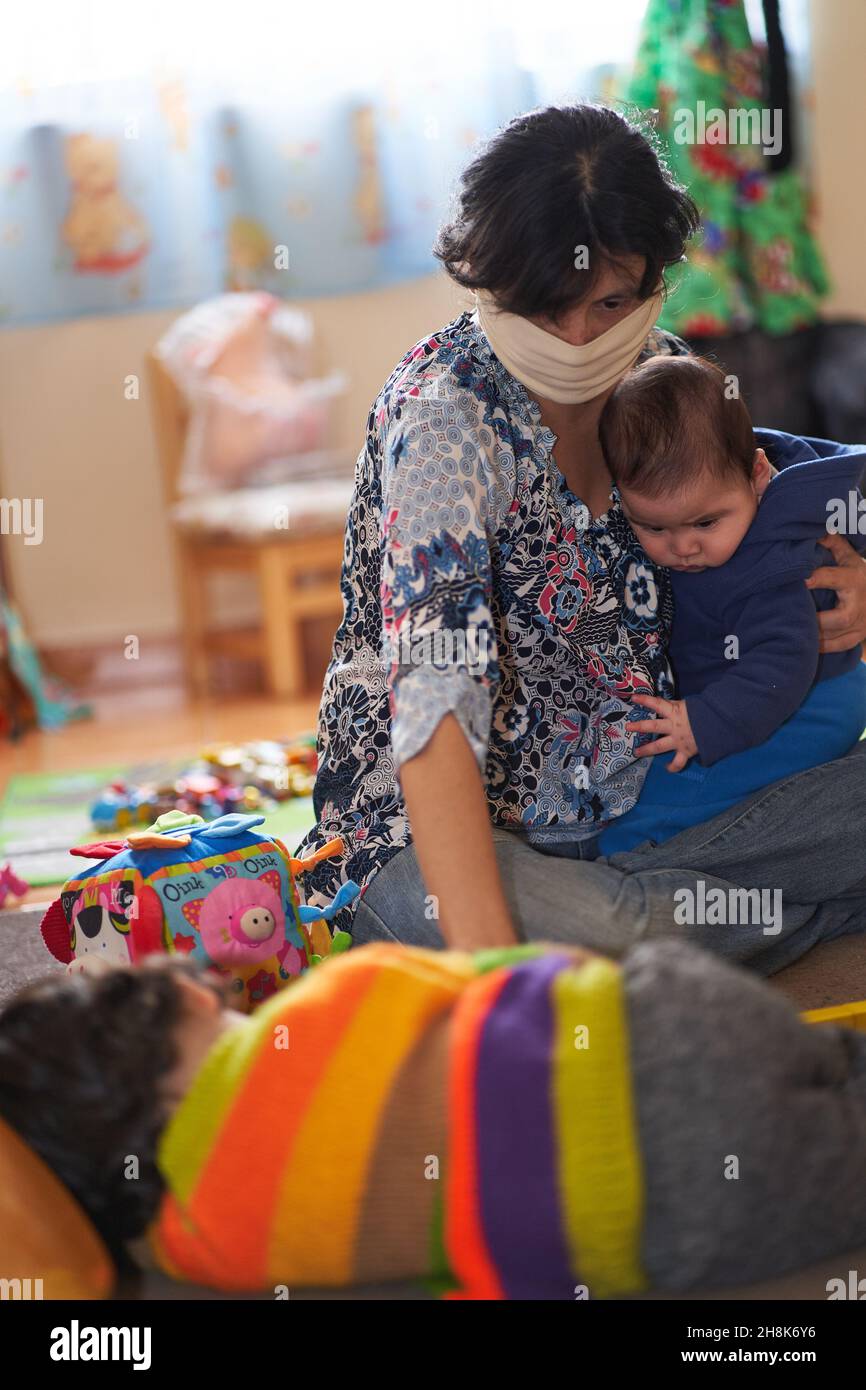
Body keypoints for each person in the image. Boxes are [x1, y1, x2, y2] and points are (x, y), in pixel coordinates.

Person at [293, 103, 866, 973]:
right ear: (489, 278)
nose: (577, 338)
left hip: (656, 792)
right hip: (438, 831)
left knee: (623, 930)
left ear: (654, 280)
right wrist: (494, 983)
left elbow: (767, 503)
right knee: (615, 933)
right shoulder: (446, 422)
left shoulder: (659, 372)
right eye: (547, 305)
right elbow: (435, 705)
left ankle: (672, 921)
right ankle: (730, 915)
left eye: (609, 302)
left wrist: (850, 579)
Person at [2, 945, 866, 1298]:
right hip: (678, 1028)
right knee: (825, 1058)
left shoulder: (201, 1243)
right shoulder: (323, 1003)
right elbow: (466, 972)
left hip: (667, 1228)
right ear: (184, 999)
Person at [595, 353, 866, 854]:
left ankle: (624, 875)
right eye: (654, 527)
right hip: (760, 692)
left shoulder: (766, 563)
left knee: (668, 805)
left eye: (705, 523)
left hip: (809, 701)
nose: (683, 548)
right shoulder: (711, 484)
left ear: (759, 475)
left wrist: (705, 722)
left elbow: (783, 660)